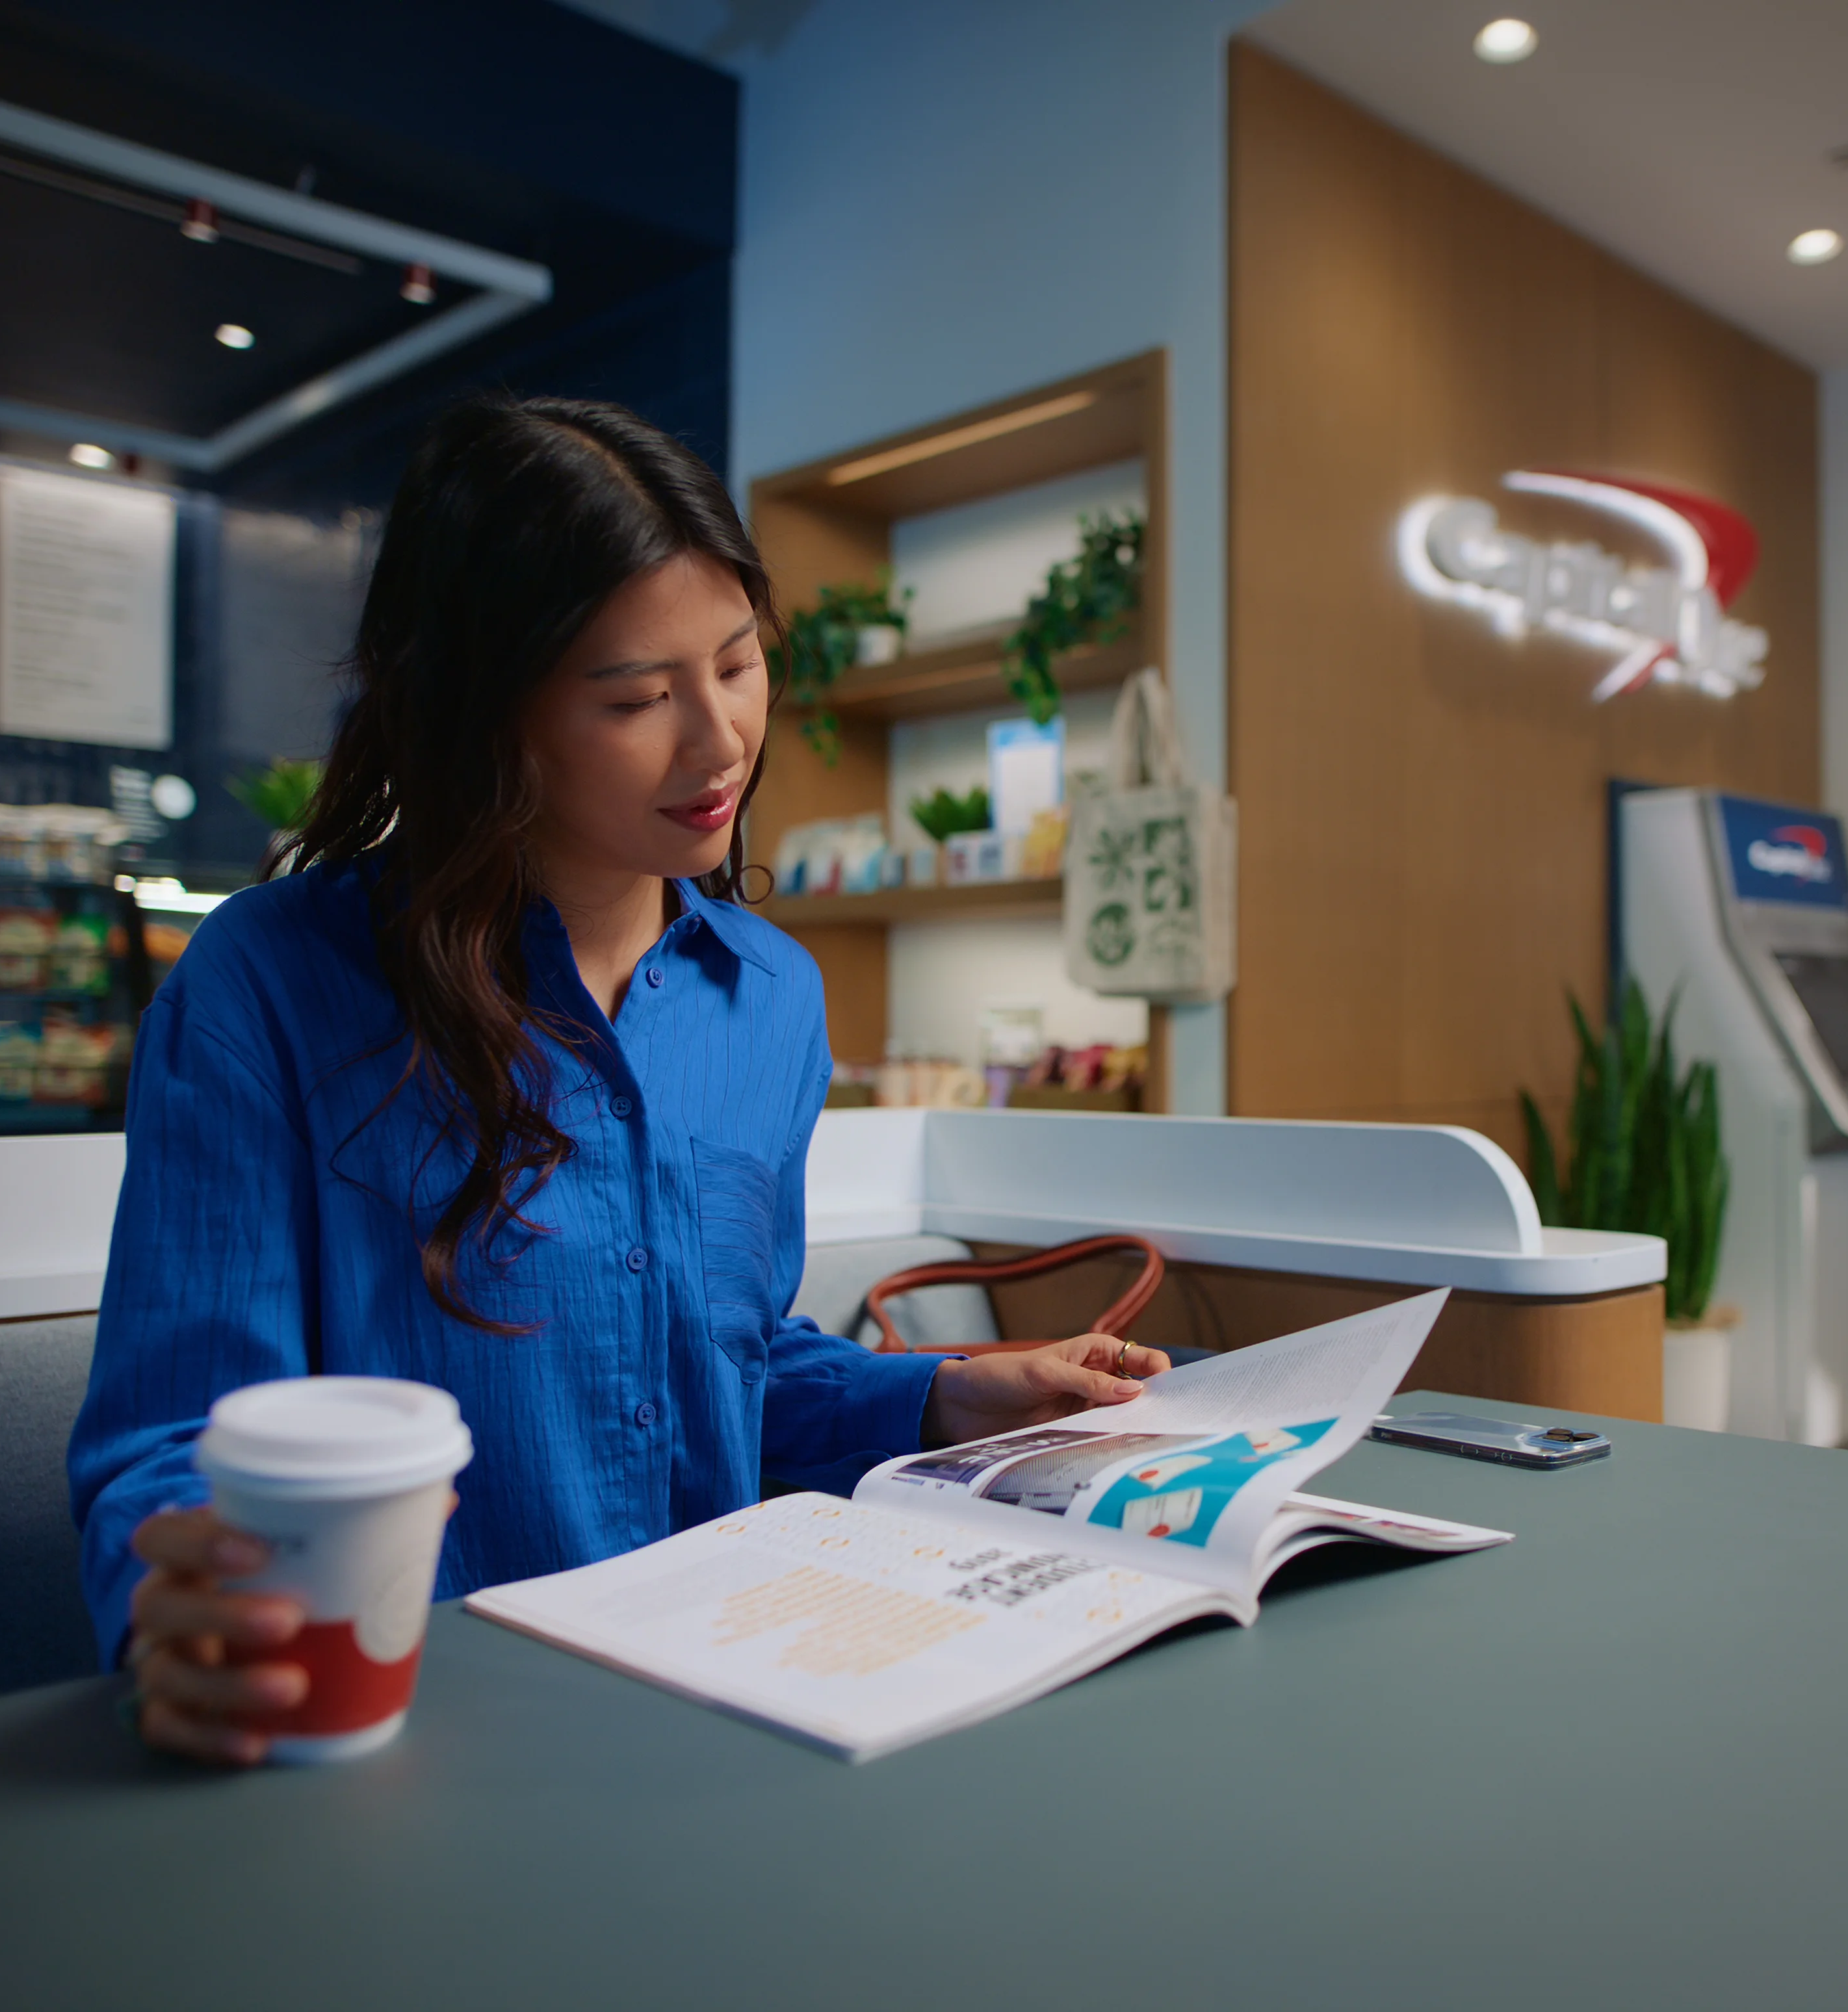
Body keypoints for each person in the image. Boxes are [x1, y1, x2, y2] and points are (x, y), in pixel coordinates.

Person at [69, 396, 1170, 1764]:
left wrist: (945, 1396)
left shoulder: (767, 996)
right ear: (483, 713)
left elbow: (725, 1367)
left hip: (739, 1711)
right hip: (432, 1735)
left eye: (737, 663)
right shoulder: (270, 987)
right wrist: (181, 1620)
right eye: (637, 698)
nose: (719, 743)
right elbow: (174, 1439)